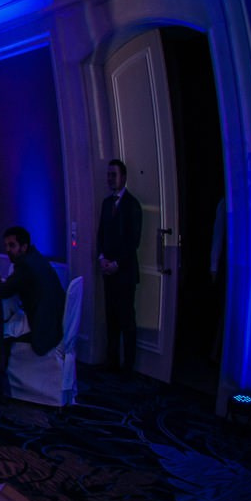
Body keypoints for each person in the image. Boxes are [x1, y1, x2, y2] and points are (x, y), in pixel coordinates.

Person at [0, 225, 66, 397]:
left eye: (12, 246)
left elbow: (3, 291)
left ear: (24, 246)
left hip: (43, 327)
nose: (7, 250)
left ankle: (1, 386)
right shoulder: (36, 258)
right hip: (54, 320)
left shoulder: (25, 266)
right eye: (6, 246)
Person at [96, 158, 143, 373]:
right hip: (108, 272)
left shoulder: (132, 205)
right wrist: (102, 258)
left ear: (123, 177)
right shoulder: (106, 203)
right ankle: (111, 360)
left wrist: (117, 263)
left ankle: (128, 365)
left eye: (113, 175)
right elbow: (101, 234)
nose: (110, 179)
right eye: (108, 175)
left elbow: (134, 241)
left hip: (124, 273)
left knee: (126, 319)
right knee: (111, 317)